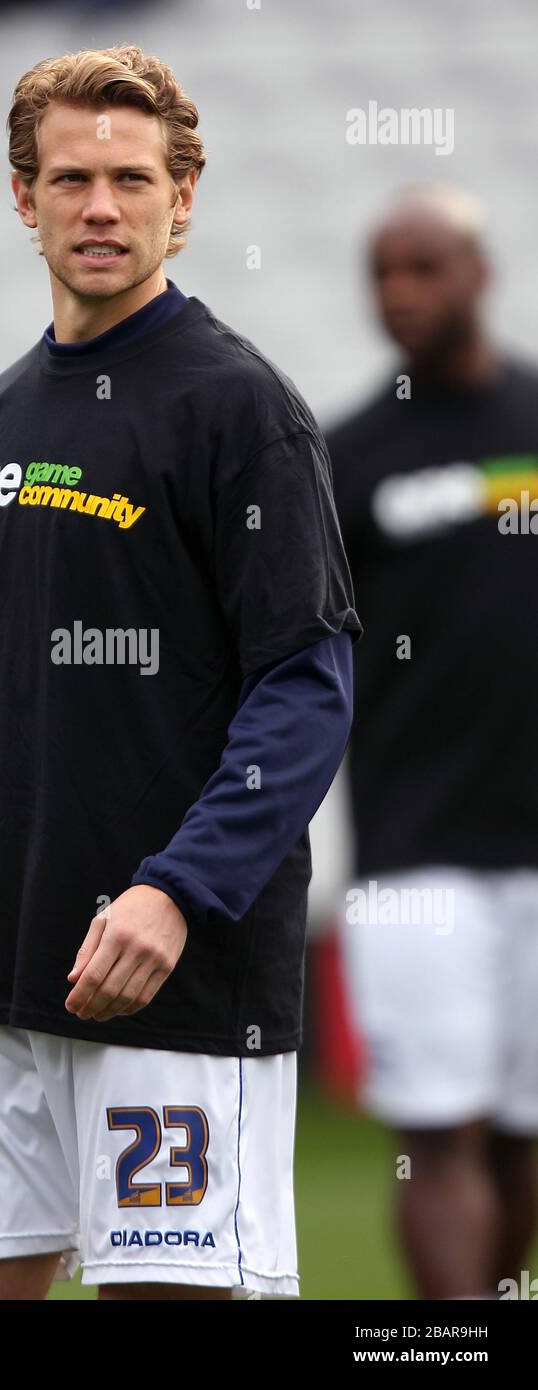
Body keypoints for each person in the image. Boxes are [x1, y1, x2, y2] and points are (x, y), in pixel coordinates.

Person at [0, 43, 361, 1301]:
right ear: (20, 197)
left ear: (183, 197)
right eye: (66, 179)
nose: (98, 207)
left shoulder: (236, 407)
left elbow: (308, 682)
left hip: (171, 980)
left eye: (128, 178)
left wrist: (175, 890)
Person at [326, 184, 538, 1300]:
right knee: (436, 1129)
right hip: (415, 847)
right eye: (381, 272)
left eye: (423, 267)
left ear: (478, 273)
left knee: (519, 1140)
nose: (399, 292)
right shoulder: (345, 457)